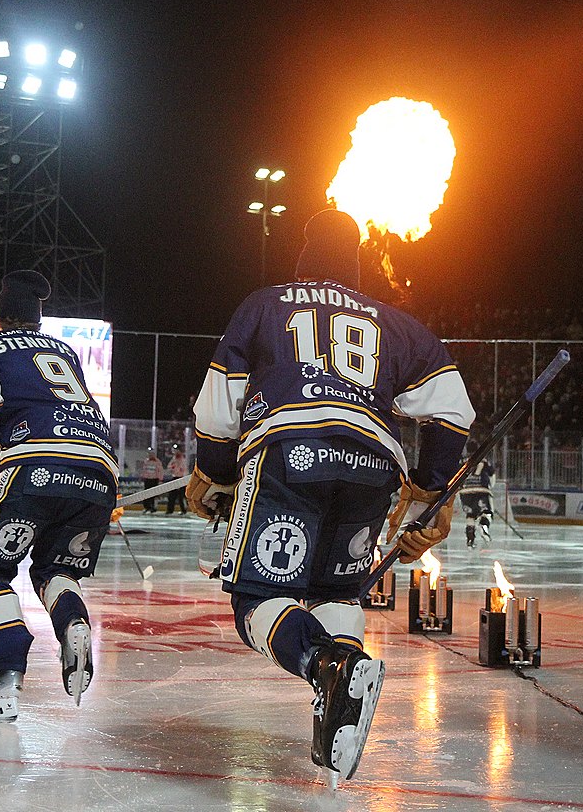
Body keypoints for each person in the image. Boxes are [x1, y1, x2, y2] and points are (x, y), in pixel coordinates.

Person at [185, 208, 475, 783]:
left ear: (304, 254)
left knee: (253, 598)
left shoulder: (266, 302)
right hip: (372, 467)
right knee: (335, 590)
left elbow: (219, 405)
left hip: (290, 455)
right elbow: (452, 409)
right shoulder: (395, 322)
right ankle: (338, 706)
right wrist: (427, 493)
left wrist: (214, 474)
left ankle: (328, 664)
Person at [0, 269, 118, 720]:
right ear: (37, 320)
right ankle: (72, 622)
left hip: (35, 464)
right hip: (99, 470)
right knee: (55, 569)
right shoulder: (66, 351)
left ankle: (3, 673)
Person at [459, 441, 497, 548]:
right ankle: (484, 526)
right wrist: (490, 487)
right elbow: (492, 474)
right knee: (487, 512)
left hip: (466, 491)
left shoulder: (462, 461)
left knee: (470, 515)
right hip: (482, 490)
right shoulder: (484, 460)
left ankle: (470, 540)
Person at [164, 445, 189, 515]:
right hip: (175, 478)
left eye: (176, 450)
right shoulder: (174, 458)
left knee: (181, 496)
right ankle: (170, 510)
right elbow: (169, 467)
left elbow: (184, 469)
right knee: (172, 495)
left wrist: (183, 479)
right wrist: (172, 469)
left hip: (181, 479)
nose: (174, 452)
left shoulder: (182, 459)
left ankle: (183, 510)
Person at [138, 448, 162, 514]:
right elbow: (144, 470)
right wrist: (142, 476)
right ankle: (146, 507)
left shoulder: (157, 462)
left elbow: (160, 471)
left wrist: (160, 479)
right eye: (149, 453)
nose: (150, 455)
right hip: (147, 479)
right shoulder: (146, 461)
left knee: (154, 494)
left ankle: (153, 508)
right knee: (146, 494)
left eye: (151, 453)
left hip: (154, 479)